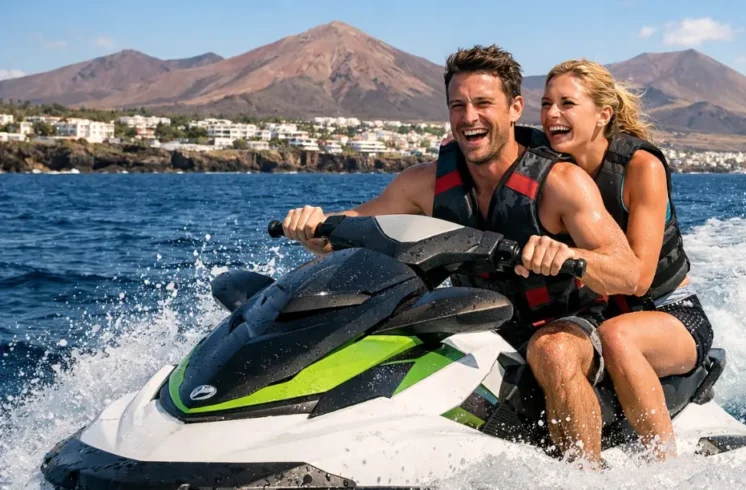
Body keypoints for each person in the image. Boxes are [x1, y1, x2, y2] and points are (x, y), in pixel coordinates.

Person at [281, 45, 641, 466]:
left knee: (552, 351)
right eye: (458, 105)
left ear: (514, 108)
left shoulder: (562, 183)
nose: (469, 117)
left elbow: (628, 273)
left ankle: (587, 473)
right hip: (480, 321)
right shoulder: (425, 184)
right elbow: (354, 227)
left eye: (483, 103)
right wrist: (314, 227)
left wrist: (566, 253)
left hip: (569, 324)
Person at [536, 59, 713, 461]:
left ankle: (663, 465)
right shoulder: (548, 164)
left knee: (619, 337)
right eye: (546, 104)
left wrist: (569, 256)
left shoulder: (640, 167)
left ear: (603, 115)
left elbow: (639, 279)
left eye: (567, 103)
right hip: (597, 310)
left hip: (671, 313)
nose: (552, 115)